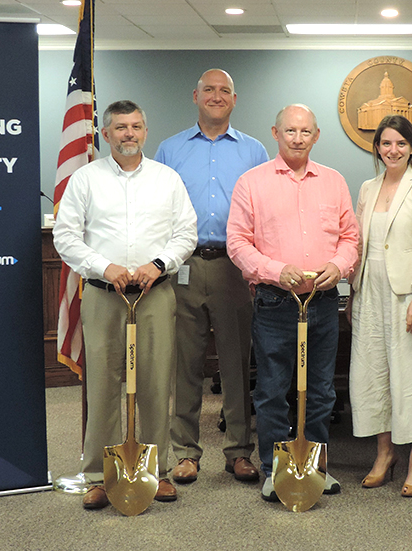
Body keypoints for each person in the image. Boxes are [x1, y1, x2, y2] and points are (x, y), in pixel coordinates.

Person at [53, 100, 198, 510]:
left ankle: (157, 471)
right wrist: (104, 265)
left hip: (154, 294)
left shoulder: (167, 179)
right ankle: (99, 474)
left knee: (154, 383)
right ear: (105, 134)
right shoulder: (85, 179)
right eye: (120, 127)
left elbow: (186, 233)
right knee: (102, 386)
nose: (128, 133)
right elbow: (66, 237)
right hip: (103, 295)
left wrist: (159, 264)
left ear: (146, 131)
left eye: (135, 126)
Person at [226, 104, 359, 502]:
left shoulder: (333, 181)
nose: (297, 138)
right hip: (274, 303)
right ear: (275, 132)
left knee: (320, 391)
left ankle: (315, 466)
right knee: (272, 390)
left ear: (316, 136)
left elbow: (350, 237)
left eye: (305, 132)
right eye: (290, 131)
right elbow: (237, 242)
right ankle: (273, 469)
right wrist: (272, 269)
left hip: (322, 302)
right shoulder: (252, 182)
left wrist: (339, 266)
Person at [155, 69, 268, 484]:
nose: (216, 96)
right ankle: (185, 452)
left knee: (238, 362)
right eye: (208, 90)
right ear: (195, 95)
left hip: (235, 268)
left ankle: (239, 450)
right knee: (185, 363)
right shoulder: (169, 149)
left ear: (234, 100)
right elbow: (157, 211)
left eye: (224, 91)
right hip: (182, 266)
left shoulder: (255, 151)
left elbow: (265, 214)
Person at [347, 115, 412, 498]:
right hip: (369, 290)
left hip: (409, 293)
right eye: (386, 143)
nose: (393, 150)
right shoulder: (368, 188)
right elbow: (357, 242)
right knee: (372, 374)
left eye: (401, 143)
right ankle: (384, 454)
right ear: (377, 147)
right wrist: (351, 287)